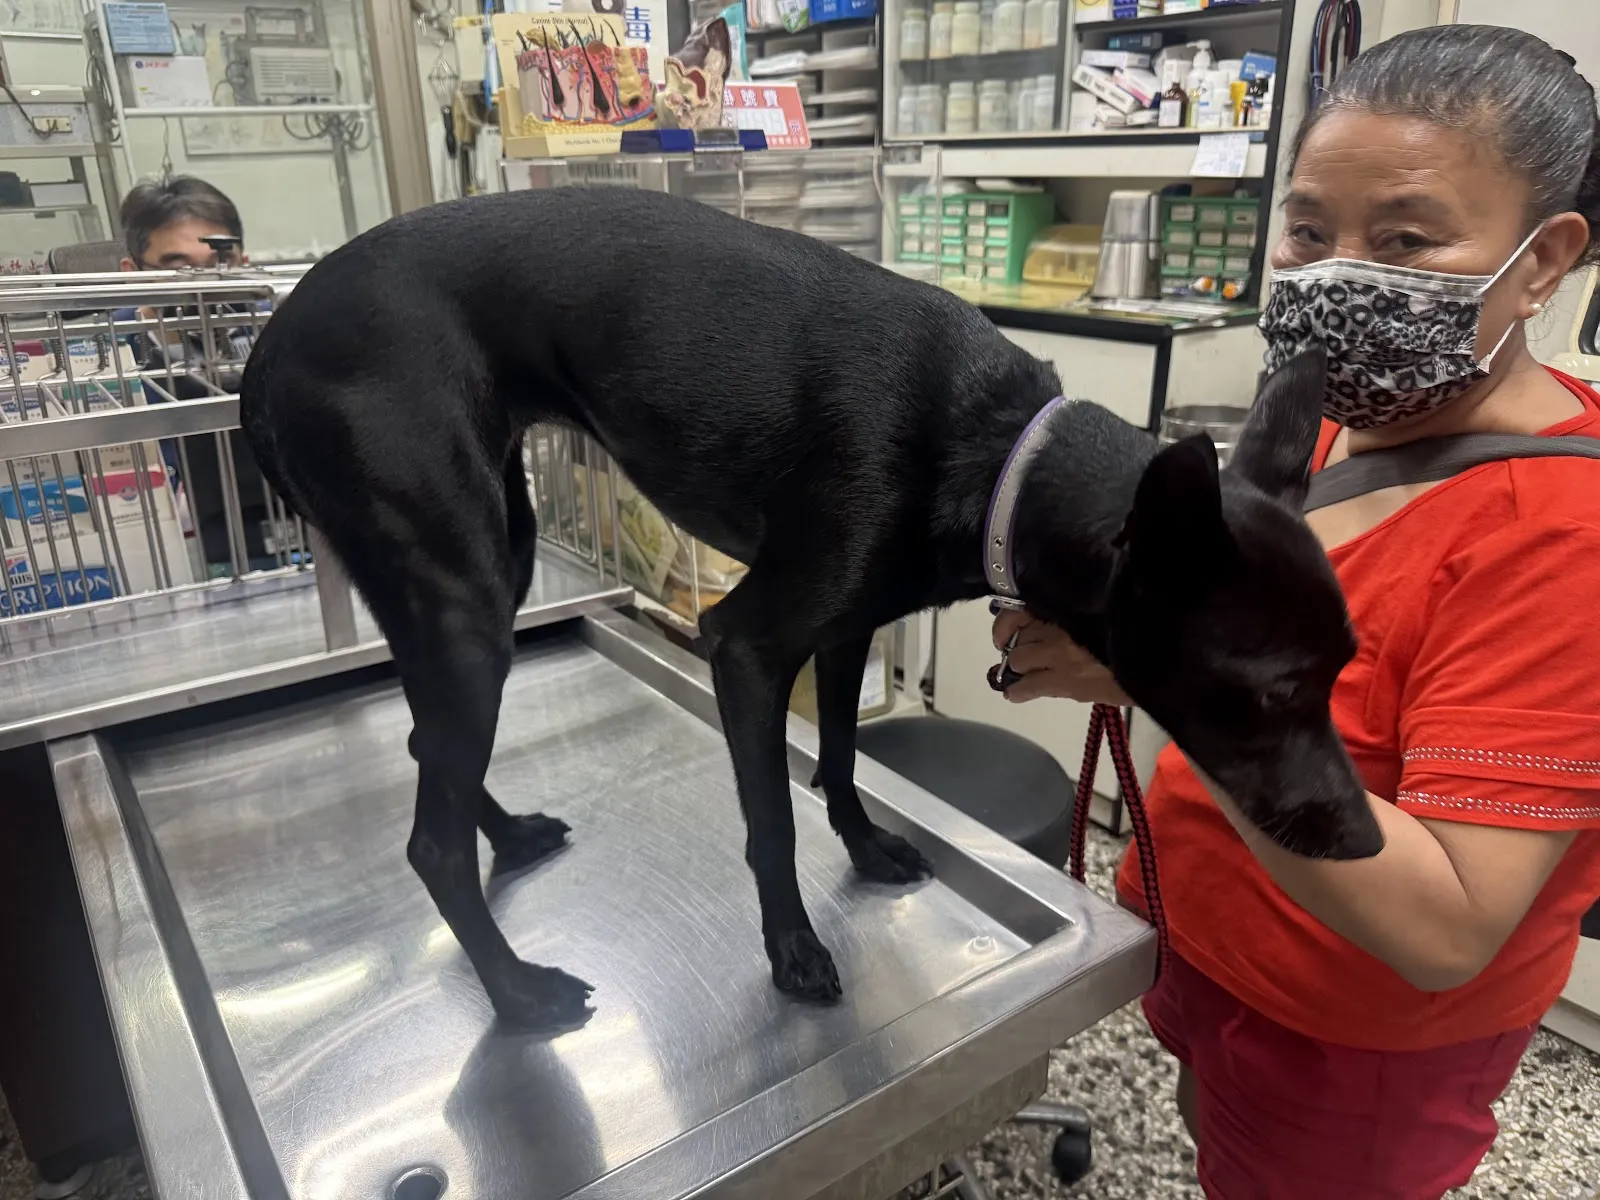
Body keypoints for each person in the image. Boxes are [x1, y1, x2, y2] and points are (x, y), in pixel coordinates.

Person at [992, 24, 1600, 1200]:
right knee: (1216, 1141)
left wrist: (1172, 684)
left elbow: (1446, 926)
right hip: (1215, 941)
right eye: (1310, 232)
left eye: (1405, 240)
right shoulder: (1327, 424)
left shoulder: (1559, 538)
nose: (1335, 276)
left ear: (1540, 261)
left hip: (1354, 1037)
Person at [112, 176, 276, 573]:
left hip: (278, 539)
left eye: (220, 265)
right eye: (179, 268)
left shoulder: (277, 332)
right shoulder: (103, 354)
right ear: (133, 272)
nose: (204, 286)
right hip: (158, 559)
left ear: (243, 264)